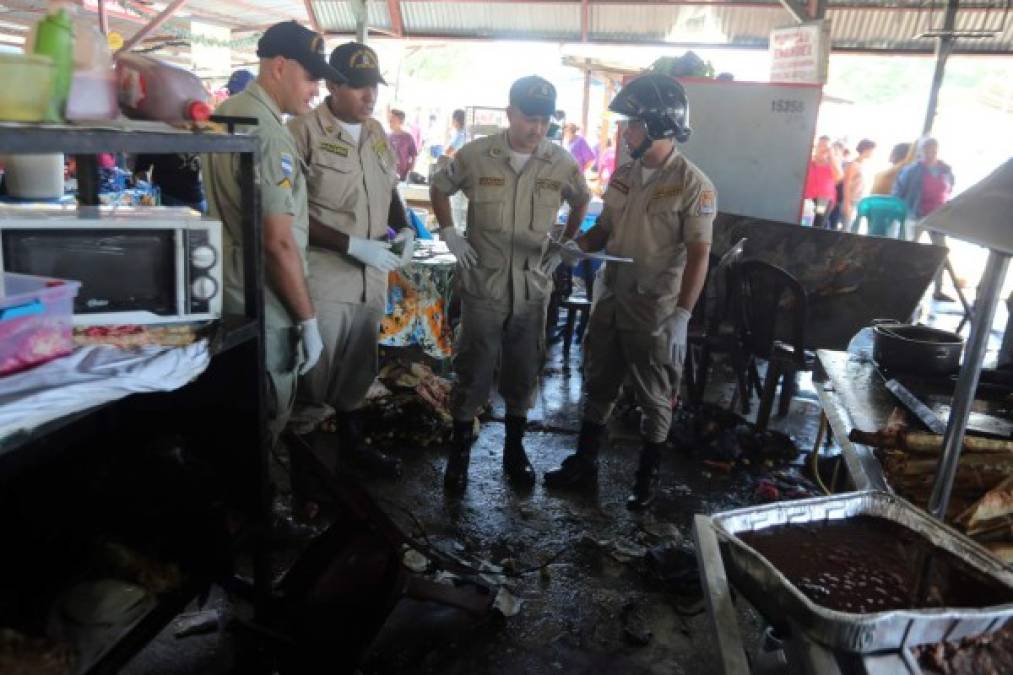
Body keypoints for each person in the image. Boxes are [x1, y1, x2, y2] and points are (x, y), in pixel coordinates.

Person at [543, 73, 716, 510]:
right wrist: (571, 249)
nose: (624, 133)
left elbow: (700, 254)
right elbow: (603, 229)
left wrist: (682, 315)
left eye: (632, 124)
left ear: (658, 125)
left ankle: (647, 478)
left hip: (654, 308)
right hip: (611, 299)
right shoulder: (623, 174)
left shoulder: (694, 185)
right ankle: (584, 463)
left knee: (655, 394)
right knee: (598, 381)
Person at [431, 75, 590, 493]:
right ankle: (459, 453)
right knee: (473, 370)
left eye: (544, 121)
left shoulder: (559, 161)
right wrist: (449, 231)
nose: (537, 129)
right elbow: (439, 184)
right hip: (485, 283)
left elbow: (582, 198)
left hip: (532, 287)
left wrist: (567, 241)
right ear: (510, 114)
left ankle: (514, 451)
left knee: (523, 371)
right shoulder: (477, 155)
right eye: (529, 119)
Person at [203, 21, 340, 447]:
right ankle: (266, 511)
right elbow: (278, 241)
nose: (316, 90)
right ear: (280, 66)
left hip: (228, 291)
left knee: (231, 420)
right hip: (266, 301)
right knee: (266, 421)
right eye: (311, 78)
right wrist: (308, 320)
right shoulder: (270, 136)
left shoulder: (228, 112)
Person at [288, 42, 414, 478]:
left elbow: (390, 188)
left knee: (357, 373)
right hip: (324, 277)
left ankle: (351, 451)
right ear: (333, 84)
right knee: (312, 382)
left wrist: (405, 229)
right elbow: (290, 214)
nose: (369, 96)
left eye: (373, 87)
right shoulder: (302, 132)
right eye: (359, 87)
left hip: (372, 276)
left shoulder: (377, 131)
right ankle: (298, 477)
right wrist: (351, 245)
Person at [894, 137, 955, 301]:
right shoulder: (911, 170)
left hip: (937, 218)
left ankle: (938, 289)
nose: (930, 154)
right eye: (927, 150)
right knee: (909, 251)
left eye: (933, 150)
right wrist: (899, 214)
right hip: (915, 216)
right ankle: (901, 286)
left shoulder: (945, 170)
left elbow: (950, 190)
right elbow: (898, 192)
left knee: (941, 253)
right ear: (920, 152)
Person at [133, 152, 205, 212]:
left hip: (168, 200)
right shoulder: (197, 137)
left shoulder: (156, 139)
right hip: (197, 200)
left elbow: (140, 175)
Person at [803, 135, 843, 229]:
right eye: (820, 145)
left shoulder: (833, 163)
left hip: (823, 200)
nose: (823, 148)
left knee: (818, 223)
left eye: (826, 146)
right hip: (807, 198)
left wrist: (831, 156)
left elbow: (838, 178)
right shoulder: (809, 161)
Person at [841, 138, 876, 227]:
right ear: (866, 149)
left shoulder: (863, 164)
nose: (873, 153)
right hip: (851, 202)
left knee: (853, 229)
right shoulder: (854, 164)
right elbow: (846, 184)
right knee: (846, 230)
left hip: (859, 202)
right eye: (872, 150)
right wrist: (847, 203)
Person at [387, 108, 418, 182]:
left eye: (393, 119)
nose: (390, 121)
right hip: (389, 174)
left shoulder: (408, 137)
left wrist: (410, 172)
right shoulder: (387, 136)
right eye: (390, 119)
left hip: (403, 175)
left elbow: (414, 156)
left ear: (401, 121)